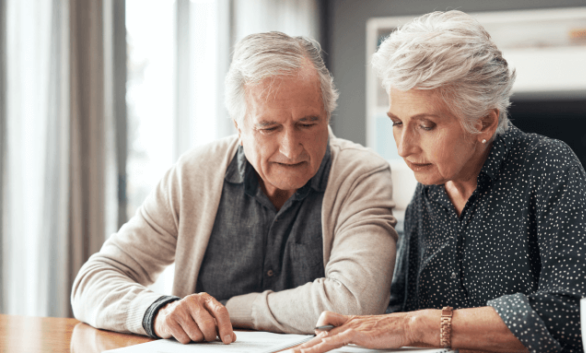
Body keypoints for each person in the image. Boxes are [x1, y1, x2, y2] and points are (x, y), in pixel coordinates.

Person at [290, 10, 586, 353]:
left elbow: (575, 314)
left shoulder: (548, 166)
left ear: (485, 123)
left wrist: (419, 326)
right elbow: (403, 308)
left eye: (426, 125)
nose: (404, 148)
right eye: (397, 122)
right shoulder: (428, 189)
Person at [71, 32, 398, 344]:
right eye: (269, 127)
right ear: (239, 126)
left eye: (307, 123)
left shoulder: (361, 175)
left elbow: (355, 302)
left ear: (327, 116)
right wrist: (160, 312)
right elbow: (94, 280)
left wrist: (230, 309)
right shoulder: (194, 174)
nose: (290, 148)